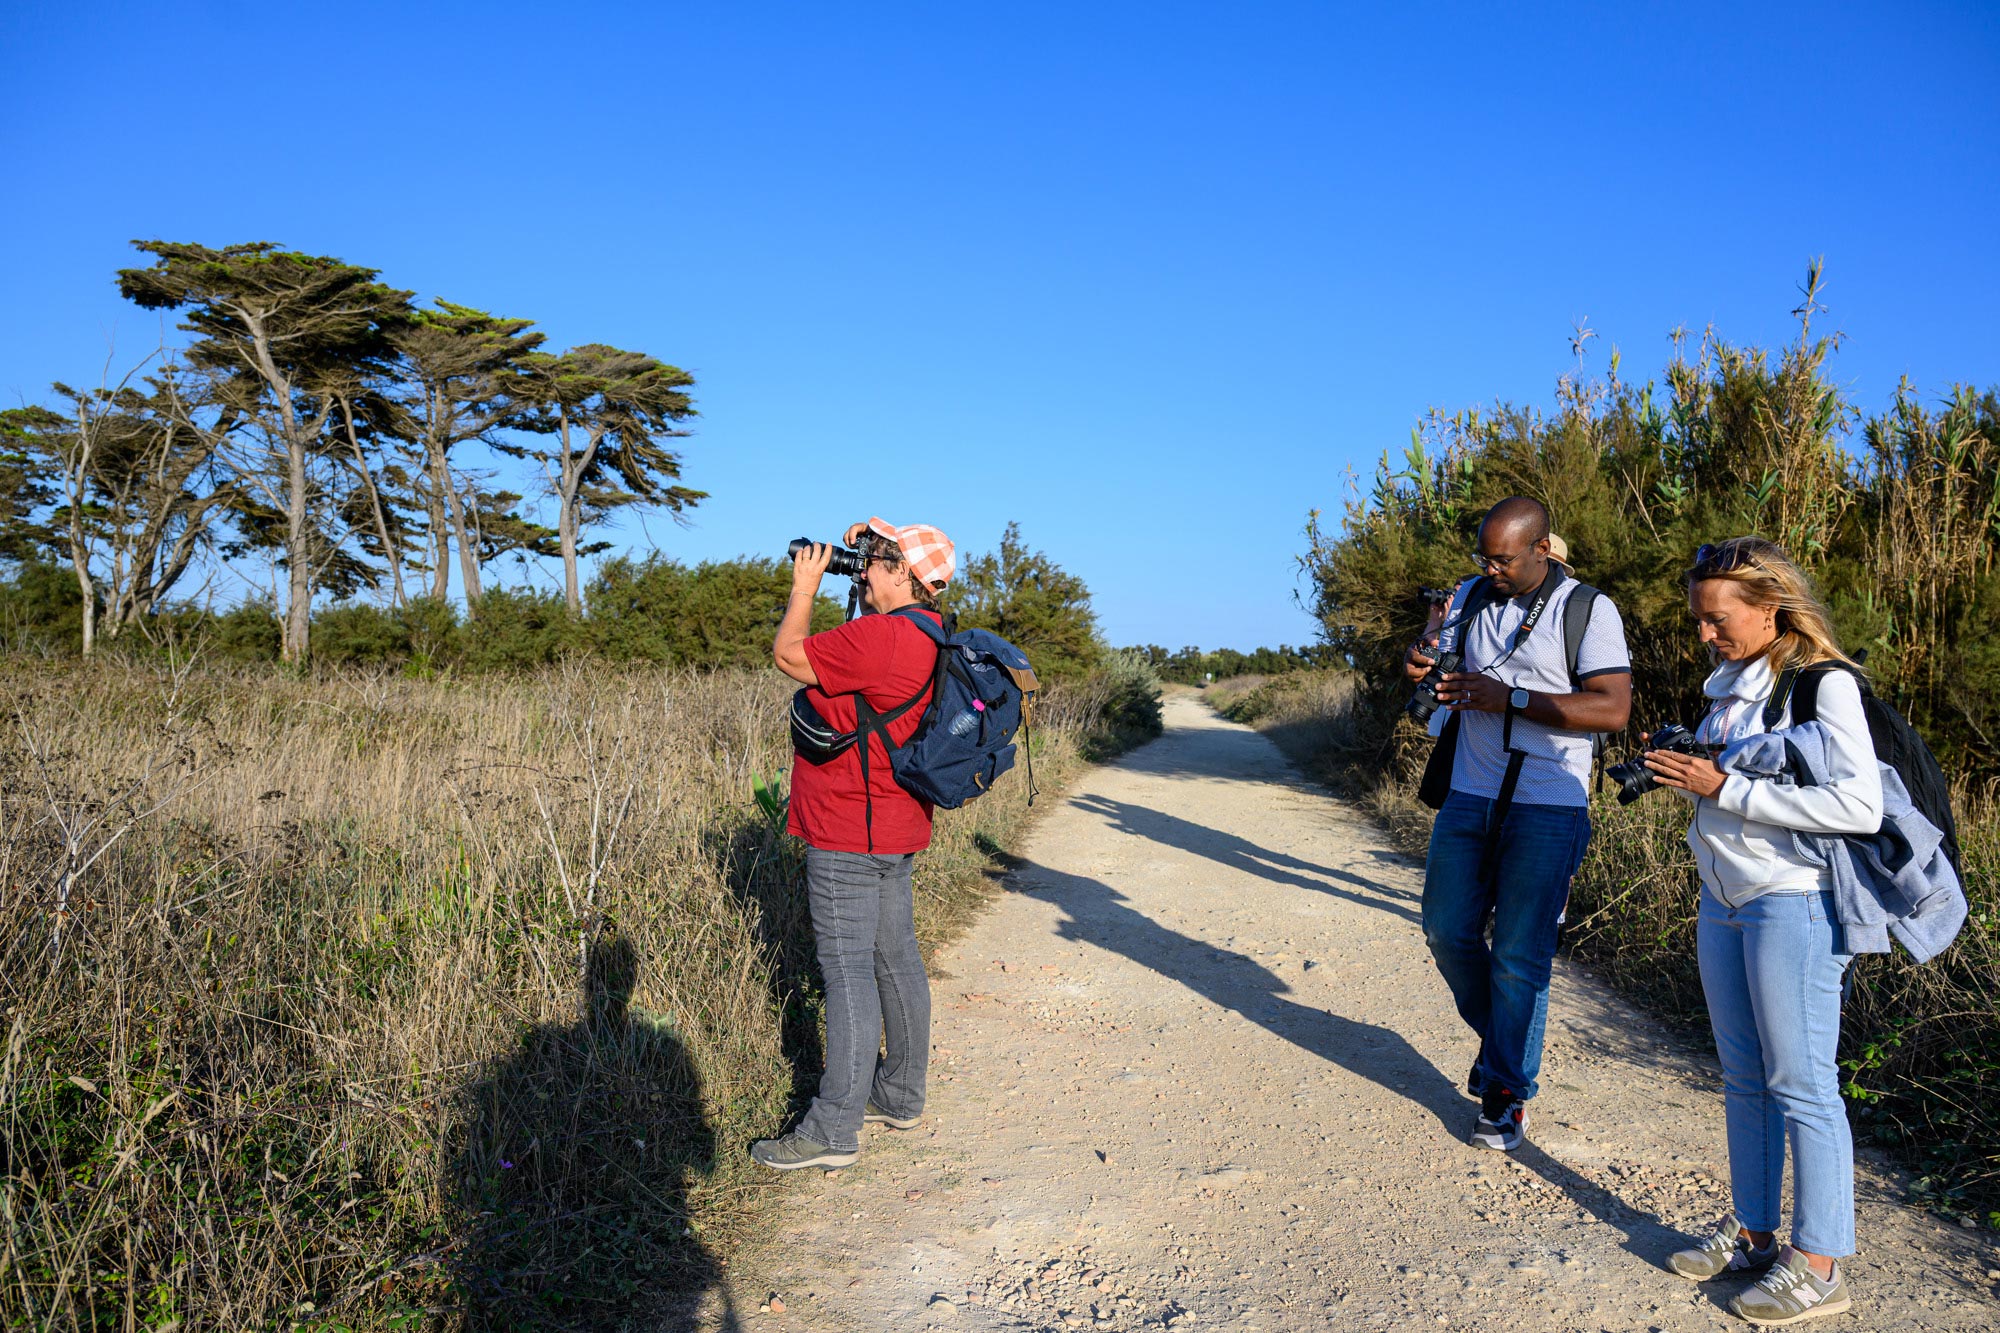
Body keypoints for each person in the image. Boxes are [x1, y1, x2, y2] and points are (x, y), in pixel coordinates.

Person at [1646, 536, 1880, 1325]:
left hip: (1796, 900)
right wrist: (1689, 773)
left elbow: (1858, 808)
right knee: (1745, 1078)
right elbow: (1742, 781)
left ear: (1769, 607)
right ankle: (1753, 1234)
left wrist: (1726, 785)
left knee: (1804, 1083)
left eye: (1717, 619)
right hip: (1726, 897)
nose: (1704, 634)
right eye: (1700, 620)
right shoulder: (1728, 685)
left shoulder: (1824, 685)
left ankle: (1818, 1264)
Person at [1403, 497, 1632, 1151]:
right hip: (1469, 793)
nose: (1490, 568)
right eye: (1485, 556)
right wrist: (1422, 661)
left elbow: (1612, 708)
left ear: (1540, 549)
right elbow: (1436, 666)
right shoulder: (1471, 595)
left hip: (1548, 806)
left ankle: (1506, 1093)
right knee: (1445, 930)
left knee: (1518, 956)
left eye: (1503, 558)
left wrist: (1516, 698)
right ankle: (1504, 1042)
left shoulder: (1586, 609)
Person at [749, 516, 957, 1171]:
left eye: (873, 561)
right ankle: (899, 1094)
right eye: (861, 558)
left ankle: (833, 1127)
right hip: (896, 826)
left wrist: (805, 586)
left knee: (846, 976)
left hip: (847, 827)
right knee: (896, 958)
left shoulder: (882, 636)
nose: (862, 570)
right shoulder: (932, 634)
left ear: (906, 574)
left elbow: (789, 655)